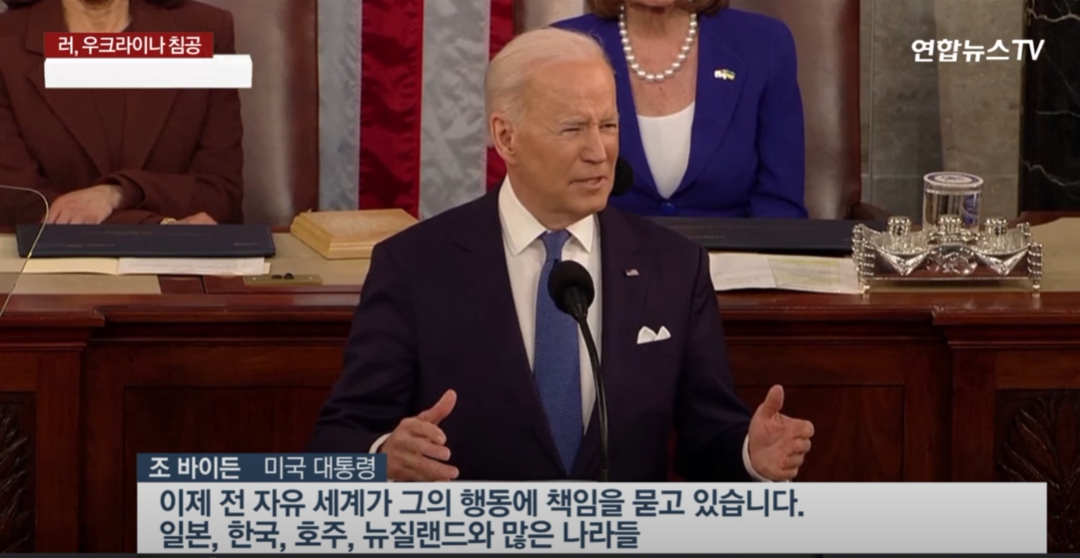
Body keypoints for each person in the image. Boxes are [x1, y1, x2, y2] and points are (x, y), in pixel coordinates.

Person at [307, 27, 813, 482]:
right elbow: (337, 439)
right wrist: (383, 458)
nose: (599, 151)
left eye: (608, 126)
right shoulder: (414, 266)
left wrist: (750, 453)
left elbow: (707, 439)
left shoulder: (674, 267)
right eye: (572, 129)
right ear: (506, 137)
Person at [552, 0, 807, 219]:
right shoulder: (561, 50)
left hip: (737, 255)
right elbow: (549, 196)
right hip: (604, 256)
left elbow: (779, 205)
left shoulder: (764, 44)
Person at [0, 0, 242, 226]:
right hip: (48, 259)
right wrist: (156, 227)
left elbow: (221, 195)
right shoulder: (6, 43)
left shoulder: (207, 31)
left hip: (180, 256)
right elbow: (16, 202)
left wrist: (117, 193)